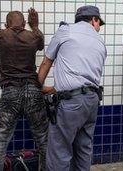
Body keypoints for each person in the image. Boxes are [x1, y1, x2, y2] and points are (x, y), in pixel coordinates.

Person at [0, 0, 48, 170]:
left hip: (10, 92)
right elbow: (41, 42)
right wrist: (35, 26)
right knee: (44, 140)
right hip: (33, 92)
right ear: (24, 24)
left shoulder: (1, 34)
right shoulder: (33, 36)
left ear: (6, 24)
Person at [38, 5, 107, 171]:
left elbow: (47, 62)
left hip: (70, 104)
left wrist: (38, 86)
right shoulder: (100, 42)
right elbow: (81, 76)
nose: (99, 27)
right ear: (94, 20)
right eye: (99, 23)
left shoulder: (66, 31)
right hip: (91, 101)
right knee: (83, 148)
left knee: (59, 151)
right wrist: (54, 89)